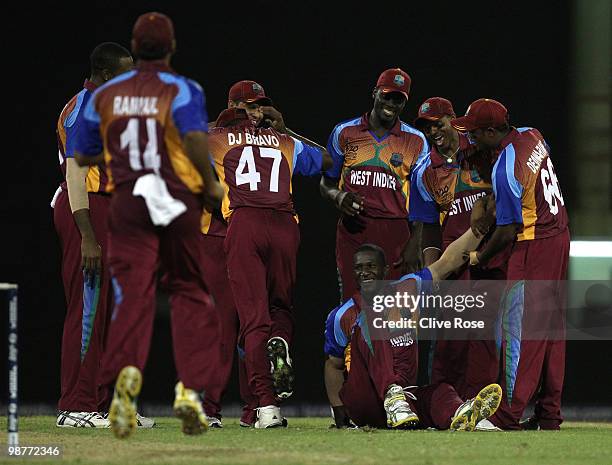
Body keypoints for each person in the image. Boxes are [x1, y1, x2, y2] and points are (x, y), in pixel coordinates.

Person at [75, 12, 224, 438]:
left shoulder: (107, 93)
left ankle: (122, 383)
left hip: (128, 200)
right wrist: (211, 185)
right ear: (172, 46)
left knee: (131, 297)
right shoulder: (182, 88)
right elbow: (195, 140)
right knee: (190, 292)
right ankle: (191, 389)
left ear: (135, 48)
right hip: (173, 198)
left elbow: (84, 154)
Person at [207, 107, 331, 428]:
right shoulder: (284, 140)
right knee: (281, 309)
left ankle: (266, 403)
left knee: (252, 320)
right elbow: (330, 160)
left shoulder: (216, 138)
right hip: (285, 225)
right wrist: (287, 129)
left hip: (245, 221)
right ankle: (281, 343)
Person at [451, 98, 570, 430]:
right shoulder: (533, 135)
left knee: (521, 330)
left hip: (535, 244)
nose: (471, 139)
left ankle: (506, 414)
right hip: (560, 233)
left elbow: (506, 232)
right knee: (551, 329)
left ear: (492, 131)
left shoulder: (505, 166)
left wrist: (480, 256)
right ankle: (548, 413)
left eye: (475, 133)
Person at [52, 42, 147, 428]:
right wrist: (87, 233)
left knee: (114, 313)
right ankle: (75, 405)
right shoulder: (85, 108)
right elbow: (76, 175)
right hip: (87, 210)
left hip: (111, 211)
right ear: (106, 75)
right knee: (87, 308)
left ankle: (104, 402)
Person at [324, 231, 502, 430]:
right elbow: (334, 365)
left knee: (439, 392)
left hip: (406, 403)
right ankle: (392, 394)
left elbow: (448, 262)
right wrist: (340, 414)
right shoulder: (343, 314)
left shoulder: (408, 288)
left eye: (371, 266)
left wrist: (480, 228)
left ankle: (461, 415)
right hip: (367, 401)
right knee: (371, 316)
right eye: (358, 268)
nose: (364, 272)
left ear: (385, 270)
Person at [407, 97, 504, 399]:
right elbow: (429, 229)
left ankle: (482, 400)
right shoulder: (424, 171)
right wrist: (431, 273)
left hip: (491, 255)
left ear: (452, 119)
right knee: (449, 340)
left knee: (485, 336)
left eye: (438, 123)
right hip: (452, 262)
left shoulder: (480, 148)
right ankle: (444, 401)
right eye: (426, 127)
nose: (433, 131)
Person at [200, 80, 273, 429]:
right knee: (223, 326)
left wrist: (285, 130)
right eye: (248, 106)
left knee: (255, 323)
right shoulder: (212, 135)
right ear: (232, 106)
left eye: (259, 106)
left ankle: (254, 407)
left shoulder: (272, 140)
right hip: (217, 235)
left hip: (254, 237)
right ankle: (208, 407)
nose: (255, 113)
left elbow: (321, 159)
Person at [320, 68, 429, 301]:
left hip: (396, 230)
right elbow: (326, 183)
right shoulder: (344, 132)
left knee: (395, 304)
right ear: (375, 93)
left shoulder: (417, 141)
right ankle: (352, 340)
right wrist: (338, 197)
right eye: (387, 95)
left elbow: (424, 197)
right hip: (354, 228)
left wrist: (415, 242)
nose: (391, 103)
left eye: (398, 99)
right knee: (352, 301)